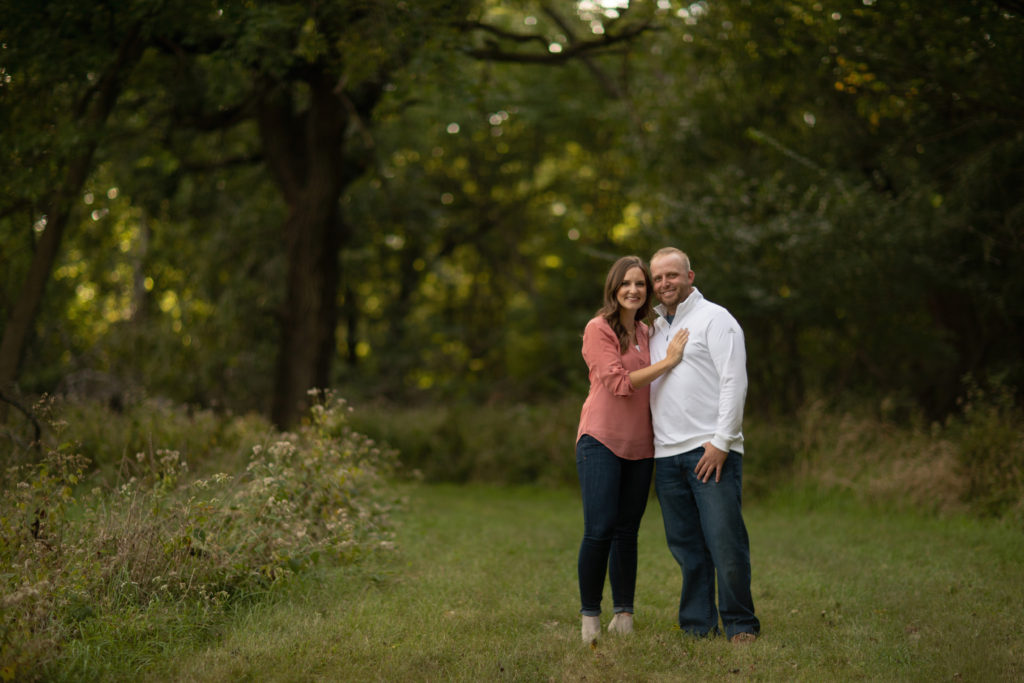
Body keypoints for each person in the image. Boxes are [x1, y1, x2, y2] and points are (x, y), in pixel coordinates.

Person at [647, 247, 760, 644]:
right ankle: (698, 625)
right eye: (658, 278)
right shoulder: (655, 329)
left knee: (725, 543)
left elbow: (735, 382)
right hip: (665, 456)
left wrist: (722, 442)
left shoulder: (716, 319)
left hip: (709, 452)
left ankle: (740, 624)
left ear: (690, 276)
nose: (665, 284)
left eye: (672, 275)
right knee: (687, 548)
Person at [575, 255, 689, 644]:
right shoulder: (598, 329)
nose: (634, 290)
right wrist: (669, 362)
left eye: (640, 284)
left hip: (642, 445)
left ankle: (624, 615)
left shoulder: (648, 331)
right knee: (600, 529)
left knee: (628, 532)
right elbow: (619, 383)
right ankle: (590, 615)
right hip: (601, 440)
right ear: (614, 287)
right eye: (626, 283)